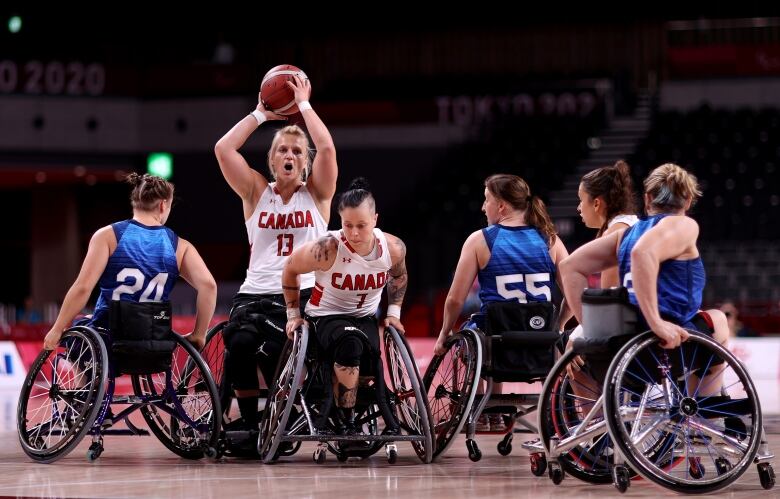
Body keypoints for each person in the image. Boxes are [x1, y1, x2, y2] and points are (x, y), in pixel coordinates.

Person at [214, 73, 337, 432]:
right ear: (272, 159)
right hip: (256, 293)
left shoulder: (317, 194)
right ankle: (250, 425)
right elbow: (223, 149)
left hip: (304, 295)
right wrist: (260, 114)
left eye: (297, 151)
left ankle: (285, 417)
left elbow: (327, 148)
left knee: (273, 351)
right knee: (239, 342)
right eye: (283, 149)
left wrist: (303, 106)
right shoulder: (255, 191)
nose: (290, 154)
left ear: (304, 163)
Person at [560, 163, 728, 379]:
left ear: (648, 199)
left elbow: (570, 266)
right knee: (719, 320)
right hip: (660, 341)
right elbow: (642, 253)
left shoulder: (627, 233)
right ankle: (705, 407)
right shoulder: (684, 225)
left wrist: (591, 329)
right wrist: (656, 322)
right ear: (687, 201)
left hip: (622, 338)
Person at [432, 174, 571, 431]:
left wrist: (444, 334)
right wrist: (558, 326)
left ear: (502, 206)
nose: (484, 207)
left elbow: (454, 299)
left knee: (476, 329)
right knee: (495, 325)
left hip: (495, 348)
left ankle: (484, 411)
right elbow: (573, 295)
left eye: (487, 201)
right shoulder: (550, 239)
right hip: (540, 344)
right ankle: (515, 412)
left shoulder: (480, 240)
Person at [282, 178, 407, 434]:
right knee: (351, 345)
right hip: (326, 317)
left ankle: (353, 408)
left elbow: (400, 276)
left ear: (375, 219)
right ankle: (347, 421)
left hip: (364, 317)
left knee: (369, 363)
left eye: (361, 225)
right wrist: (293, 314)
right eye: (347, 225)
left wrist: (394, 313)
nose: (354, 233)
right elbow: (290, 268)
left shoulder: (393, 248)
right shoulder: (327, 248)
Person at [43, 173, 217, 352]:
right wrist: (199, 334)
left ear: (135, 201)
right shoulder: (180, 246)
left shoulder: (107, 236)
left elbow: (83, 288)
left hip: (108, 335)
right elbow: (209, 286)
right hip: (153, 337)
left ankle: (85, 380)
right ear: (163, 205)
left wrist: (57, 328)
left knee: (81, 326)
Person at [576, 160, 638, 288]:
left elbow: (610, 295)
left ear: (596, 203)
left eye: (581, 200)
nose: (578, 208)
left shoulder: (613, 234)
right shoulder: (630, 222)